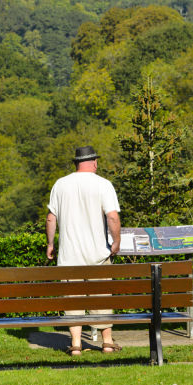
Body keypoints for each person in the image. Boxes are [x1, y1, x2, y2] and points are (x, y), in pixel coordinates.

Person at [46, 145, 122, 356]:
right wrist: (116, 241)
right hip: (98, 254)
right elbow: (113, 217)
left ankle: (77, 345)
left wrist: (51, 244)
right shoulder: (103, 184)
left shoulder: (60, 185)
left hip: (69, 257)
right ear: (95, 162)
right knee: (102, 298)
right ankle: (107, 343)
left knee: (73, 300)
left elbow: (51, 217)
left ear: (76, 163)